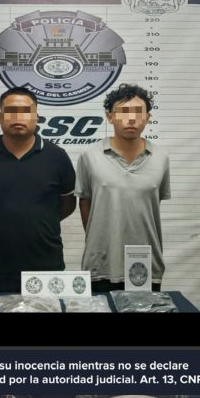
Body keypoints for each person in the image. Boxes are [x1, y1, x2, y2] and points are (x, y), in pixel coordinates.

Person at [0, 87, 76, 292]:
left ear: (36, 116)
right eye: (11, 111)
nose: (18, 117)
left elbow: (68, 204)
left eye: (26, 111)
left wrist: (41, 223)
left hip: (47, 268)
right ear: (0, 117)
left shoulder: (58, 157)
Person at [75, 83, 171, 292]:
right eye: (123, 112)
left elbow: (151, 205)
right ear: (109, 117)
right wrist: (100, 239)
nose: (131, 118)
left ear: (148, 117)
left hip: (145, 264)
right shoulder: (89, 157)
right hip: (101, 264)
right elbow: (85, 203)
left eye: (138, 112)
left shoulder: (161, 158)